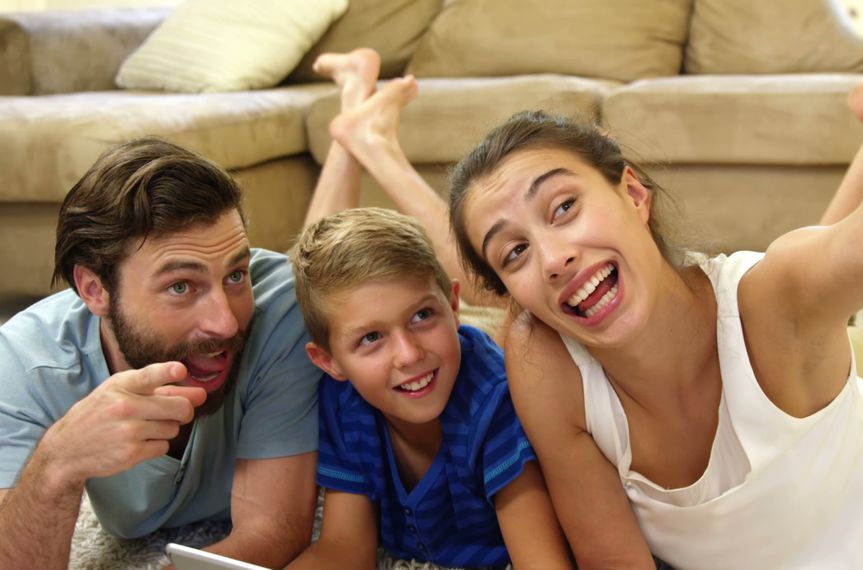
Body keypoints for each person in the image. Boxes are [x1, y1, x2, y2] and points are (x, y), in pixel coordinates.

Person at [440, 1, 863, 568]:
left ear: (634, 194)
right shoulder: (542, 356)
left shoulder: (768, 298)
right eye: (514, 251)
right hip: (792, 356)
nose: (551, 258)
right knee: (808, 311)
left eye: (563, 207)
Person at [0, 139, 322, 568]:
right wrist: (59, 463)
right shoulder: (27, 358)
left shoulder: (279, 310)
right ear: (95, 290)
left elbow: (272, 528)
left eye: (235, 275)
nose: (225, 322)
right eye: (180, 287)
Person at [285, 207, 571, 569]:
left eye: (422, 316)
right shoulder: (343, 400)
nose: (408, 355)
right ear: (329, 362)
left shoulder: (495, 401)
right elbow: (345, 549)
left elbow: (541, 562)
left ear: (453, 306)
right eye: (371, 337)